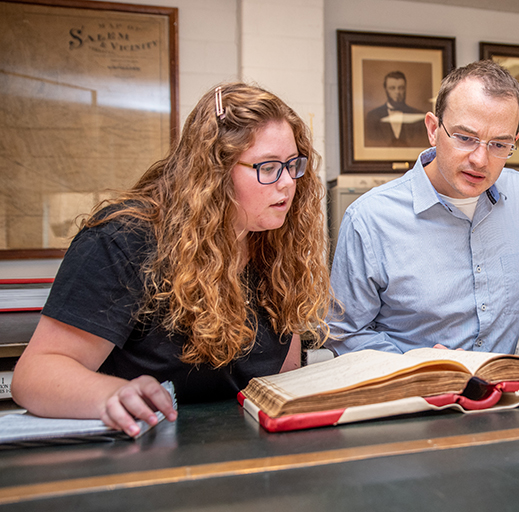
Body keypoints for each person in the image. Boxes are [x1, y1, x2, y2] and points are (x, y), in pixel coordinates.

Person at [11, 83, 332, 436]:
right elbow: (35, 375)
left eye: (293, 165)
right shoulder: (125, 240)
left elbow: (280, 381)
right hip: (144, 451)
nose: (288, 183)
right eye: (268, 167)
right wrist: (113, 394)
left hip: (243, 454)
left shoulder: (277, 244)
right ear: (214, 172)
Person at [326, 60, 519, 362]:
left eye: (499, 144)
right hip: (410, 399)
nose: (480, 159)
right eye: (466, 138)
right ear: (432, 129)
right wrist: (414, 364)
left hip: (501, 395)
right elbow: (345, 331)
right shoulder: (370, 219)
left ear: (514, 142)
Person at [364, 70, 428, 148]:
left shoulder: (419, 116)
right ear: (386, 89)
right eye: (392, 88)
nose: (397, 92)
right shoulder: (373, 116)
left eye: (401, 88)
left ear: (405, 89)